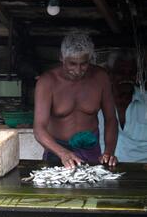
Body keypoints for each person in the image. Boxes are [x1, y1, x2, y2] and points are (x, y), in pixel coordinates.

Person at [34, 33, 118, 169]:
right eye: (72, 64)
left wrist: (109, 151)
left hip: (91, 147)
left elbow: (111, 119)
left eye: (83, 64)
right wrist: (63, 153)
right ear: (61, 58)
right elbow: (39, 128)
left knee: (94, 187)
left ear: (89, 59)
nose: (78, 70)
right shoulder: (47, 82)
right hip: (57, 149)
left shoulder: (101, 77)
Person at [98, 50, 147, 163]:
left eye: (131, 72)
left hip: (141, 171)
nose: (127, 77)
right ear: (109, 74)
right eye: (121, 72)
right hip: (102, 169)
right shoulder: (95, 102)